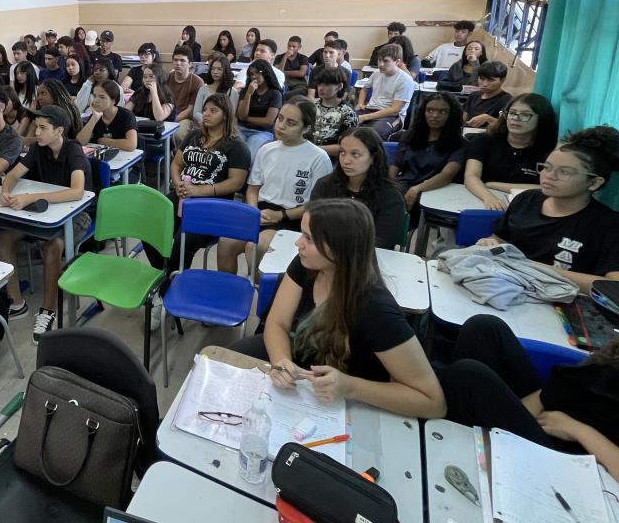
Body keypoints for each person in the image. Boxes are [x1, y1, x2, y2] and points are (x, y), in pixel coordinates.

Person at [229, 199, 446, 420]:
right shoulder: (306, 265)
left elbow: (433, 402)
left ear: (340, 249)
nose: (298, 243)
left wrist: (350, 386)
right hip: (302, 385)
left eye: (309, 239)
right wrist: (281, 360)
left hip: (347, 405)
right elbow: (277, 323)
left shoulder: (377, 310)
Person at [435, 315, 619, 477]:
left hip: (573, 461)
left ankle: (450, 443)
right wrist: (522, 410)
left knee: (469, 375)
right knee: (484, 328)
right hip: (558, 415)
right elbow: (575, 383)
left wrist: (577, 430)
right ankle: (461, 431)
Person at [144, 93, 251, 327]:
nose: (206, 115)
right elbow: (177, 164)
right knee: (149, 229)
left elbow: (235, 183)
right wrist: (177, 184)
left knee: (183, 241)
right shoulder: (193, 136)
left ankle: (163, 294)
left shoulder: (236, 146)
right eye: (206, 109)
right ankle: (166, 281)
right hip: (182, 196)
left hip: (212, 206)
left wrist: (200, 190)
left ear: (226, 115)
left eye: (214, 110)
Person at [475, 126, 619, 293]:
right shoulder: (526, 200)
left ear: (594, 183)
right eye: (547, 167)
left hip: (559, 299)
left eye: (564, 172)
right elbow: (498, 238)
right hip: (504, 287)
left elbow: (613, 286)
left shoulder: (608, 225)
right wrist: (490, 243)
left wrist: (531, 267)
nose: (549, 176)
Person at [0, 105, 91, 342]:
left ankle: (48, 310)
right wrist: (5, 191)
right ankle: (16, 302)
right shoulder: (39, 149)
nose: (36, 132)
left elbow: (77, 192)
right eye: (36, 126)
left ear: (59, 130)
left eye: (42, 127)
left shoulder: (73, 150)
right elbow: (12, 175)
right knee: (4, 237)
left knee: (52, 246)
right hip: (45, 213)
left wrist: (31, 197)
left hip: (77, 215)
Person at [218, 98, 332, 275]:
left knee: (256, 247)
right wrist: (254, 211)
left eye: (291, 123)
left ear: (306, 128)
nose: (281, 125)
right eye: (280, 118)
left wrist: (280, 215)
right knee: (226, 243)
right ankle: (231, 289)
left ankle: (259, 289)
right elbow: (253, 189)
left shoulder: (318, 157)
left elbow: (316, 204)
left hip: (294, 217)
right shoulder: (267, 149)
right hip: (261, 211)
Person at [311, 127, 407, 250]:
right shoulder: (325, 185)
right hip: (325, 252)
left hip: (365, 257)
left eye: (355, 154)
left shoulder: (390, 196)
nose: (346, 161)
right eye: (342, 152)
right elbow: (313, 227)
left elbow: (383, 242)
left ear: (373, 158)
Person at [463, 92, 558, 210]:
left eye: (525, 115)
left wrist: (493, 185)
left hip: (527, 206)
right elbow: (471, 176)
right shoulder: (484, 140)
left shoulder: (550, 150)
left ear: (542, 118)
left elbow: (547, 188)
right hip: (481, 201)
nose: (515, 118)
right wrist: (489, 198)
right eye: (512, 113)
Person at [389, 93, 466, 224]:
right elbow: (395, 166)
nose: (434, 115)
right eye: (430, 110)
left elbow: (447, 175)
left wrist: (417, 189)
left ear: (451, 115)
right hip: (404, 185)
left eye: (442, 112)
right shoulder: (410, 136)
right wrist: (389, 186)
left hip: (434, 190)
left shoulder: (459, 143)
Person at [356, 43, 416, 139]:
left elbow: (394, 110)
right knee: (344, 123)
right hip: (369, 109)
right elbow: (364, 89)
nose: (381, 64)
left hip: (391, 116)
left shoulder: (406, 80)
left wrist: (364, 117)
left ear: (397, 62)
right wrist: (360, 104)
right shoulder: (377, 73)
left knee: (374, 134)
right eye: (379, 60)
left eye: (386, 61)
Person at [236, 60, 283, 161]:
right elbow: (241, 115)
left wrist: (246, 118)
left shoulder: (275, 94)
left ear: (266, 72)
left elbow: (268, 121)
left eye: (258, 73)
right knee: (234, 149)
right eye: (251, 74)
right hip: (241, 129)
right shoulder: (246, 91)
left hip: (262, 132)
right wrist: (249, 94)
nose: (254, 76)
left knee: (248, 155)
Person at [76, 80, 137, 151]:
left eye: (102, 97)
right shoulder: (94, 116)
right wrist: (94, 118)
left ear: (113, 101)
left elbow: (131, 145)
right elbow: (80, 142)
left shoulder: (126, 115)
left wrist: (109, 142)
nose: (96, 100)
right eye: (94, 96)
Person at [311, 67, 358, 156]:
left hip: (331, 159)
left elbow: (346, 147)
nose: (320, 88)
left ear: (339, 86)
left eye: (326, 84)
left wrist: (313, 150)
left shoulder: (348, 113)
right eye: (319, 84)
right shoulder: (311, 107)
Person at [22, 80, 82, 148]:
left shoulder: (63, 113)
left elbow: (55, 140)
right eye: (38, 94)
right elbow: (28, 142)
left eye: (43, 93)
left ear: (55, 94)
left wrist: (25, 140)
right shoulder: (42, 112)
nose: (39, 98)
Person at [167, 46, 204, 141]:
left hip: (185, 118)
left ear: (190, 64)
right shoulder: (167, 77)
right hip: (166, 114)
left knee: (178, 135)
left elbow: (190, 109)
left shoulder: (197, 82)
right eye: (175, 60)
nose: (178, 63)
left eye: (182, 60)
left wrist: (171, 121)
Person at [462, 61, 511, 128]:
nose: (485, 84)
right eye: (482, 79)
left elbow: (508, 126)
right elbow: (464, 118)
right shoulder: (473, 95)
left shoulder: (507, 100)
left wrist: (488, 119)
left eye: (491, 80)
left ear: (502, 80)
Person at [192, 54, 237, 127]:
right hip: (204, 124)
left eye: (219, 69)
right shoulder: (203, 89)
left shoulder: (232, 92)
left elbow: (231, 115)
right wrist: (206, 120)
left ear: (225, 71)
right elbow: (196, 112)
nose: (215, 72)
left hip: (223, 127)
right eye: (213, 69)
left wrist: (214, 122)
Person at [12, 60, 39, 136]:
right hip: (16, 124)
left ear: (30, 72)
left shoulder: (37, 90)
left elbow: (31, 114)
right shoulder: (17, 91)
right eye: (17, 73)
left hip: (29, 126)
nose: (19, 76)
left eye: (22, 73)